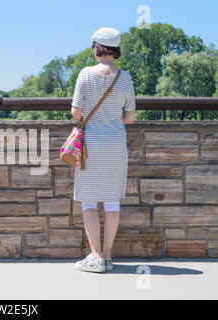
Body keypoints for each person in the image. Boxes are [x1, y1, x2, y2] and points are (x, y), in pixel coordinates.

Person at [70, 27, 136, 272]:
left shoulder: (85, 75)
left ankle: (95, 256)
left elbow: (76, 112)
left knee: (88, 200)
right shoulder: (125, 78)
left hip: (91, 146)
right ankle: (107, 256)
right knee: (111, 201)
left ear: (97, 48)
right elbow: (130, 117)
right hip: (116, 145)